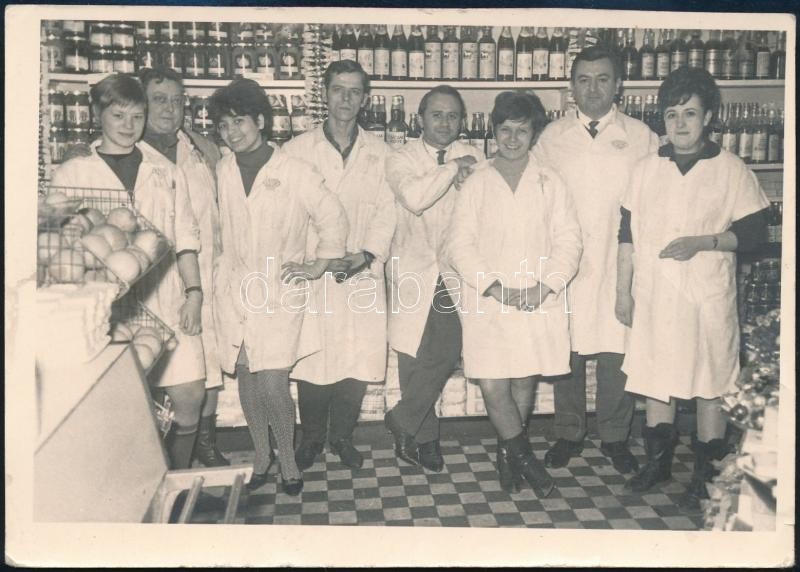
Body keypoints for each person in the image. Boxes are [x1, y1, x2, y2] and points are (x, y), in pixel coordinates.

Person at [616, 67, 769, 509]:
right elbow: (626, 235)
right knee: (656, 378)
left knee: (710, 381)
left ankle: (706, 474)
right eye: (671, 114)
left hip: (706, 298)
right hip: (655, 296)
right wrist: (622, 291)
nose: (680, 123)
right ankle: (658, 464)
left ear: (709, 117)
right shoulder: (646, 169)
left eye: (689, 113)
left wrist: (704, 242)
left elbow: (755, 236)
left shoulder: (731, 169)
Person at [51, 74, 206, 472]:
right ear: (97, 113)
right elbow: (59, 247)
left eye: (137, 116)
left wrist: (194, 293)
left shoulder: (165, 170)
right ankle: (144, 485)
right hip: (104, 308)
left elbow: (186, 238)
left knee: (190, 395)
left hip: (166, 295)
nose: (128, 125)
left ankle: (177, 478)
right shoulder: (73, 172)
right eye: (117, 115)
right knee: (120, 409)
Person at [209, 79, 347, 496]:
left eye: (239, 121)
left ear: (260, 120)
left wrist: (317, 265)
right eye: (223, 125)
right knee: (247, 375)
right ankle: (261, 455)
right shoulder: (223, 169)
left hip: (278, 290)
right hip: (235, 288)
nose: (232, 132)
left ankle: (287, 459)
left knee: (272, 380)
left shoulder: (294, 170)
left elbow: (333, 217)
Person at [447, 91, 582, 496]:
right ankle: (526, 460)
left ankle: (507, 455)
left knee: (524, 379)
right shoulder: (477, 181)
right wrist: (492, 286)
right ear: (493, 131)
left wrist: (546, 286)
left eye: (521, 131)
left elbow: (569, 241)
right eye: (504, 130)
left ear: (533, 133)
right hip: (488, 298)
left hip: (536, 297)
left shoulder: (551, 181)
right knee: (493, 384)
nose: (512, 139)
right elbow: (459, 244)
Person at [533, 46, 659, 473]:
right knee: (566, 349)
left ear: (619, 84)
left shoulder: (641, 136)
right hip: (566, 260)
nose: (593, 89)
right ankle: (569, 432)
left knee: (616, 350)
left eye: (602, 79)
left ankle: (615, 437)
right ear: (571, 87)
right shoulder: (551, 137)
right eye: (584, 80)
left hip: (620, 260)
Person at [283, 61, 396, 471]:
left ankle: (343, 437)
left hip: (363, 271)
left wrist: (365, 254)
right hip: (313, 271)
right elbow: (288, 212)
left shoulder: (382, 153)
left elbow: (387, 211)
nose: (346, 99)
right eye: (338, 90)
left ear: (365, 99)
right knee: (314, 357)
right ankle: (312, 438)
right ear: (325, 94)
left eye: (354, 91)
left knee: (357, 356)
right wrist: (319, 258)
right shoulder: (296, 151)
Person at [384, 85, 483, 471]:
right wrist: (453, 169)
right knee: (413, 355)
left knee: (448, 348)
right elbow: (415, 197)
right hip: (412, 264)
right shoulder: (400, 158)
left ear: (461, 121)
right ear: (420, 118)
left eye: (452, 116)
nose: (445, 122)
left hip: (455, 268)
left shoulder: (475, 155)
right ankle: (425, 439)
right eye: (437, 115)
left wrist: (462, 167)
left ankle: (402, 419)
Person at [137, 67, 228, 468]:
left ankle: (204, 445)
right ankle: (163, 458)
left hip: (204, 273)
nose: (170, 109)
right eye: (159, 99)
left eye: (177, 101)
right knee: (163, 371)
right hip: (153, 282)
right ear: (141, 104)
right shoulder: (130, 153)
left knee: (208, 364)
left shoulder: (201, 149)